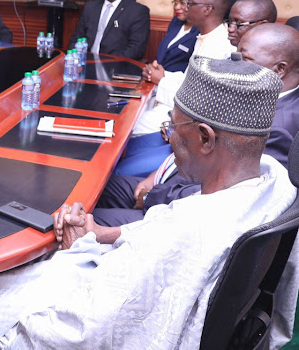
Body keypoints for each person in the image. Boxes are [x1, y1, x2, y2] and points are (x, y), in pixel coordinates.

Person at [0, 56, 298, 350]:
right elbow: (165, 229)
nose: (168, 135)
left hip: (84, 314)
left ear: (204, 138)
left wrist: (13, 346)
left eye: (172, 127)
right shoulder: (274, 183)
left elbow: (80, 334)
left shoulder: (188, 231)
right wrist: (100, 235)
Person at [94, 23, 299, 227]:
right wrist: (155, 176)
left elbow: (230, 198)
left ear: (280, 69)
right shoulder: (251, 94)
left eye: (244, 58)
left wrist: (153, 196)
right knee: (98, 185)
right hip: (170, 181)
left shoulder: (277, 125)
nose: (233, 65)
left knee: (88, 221)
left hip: (181, 214)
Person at [119, 0, 236, 176]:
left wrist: (174, 119)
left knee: (128, 140)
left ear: (207, 9)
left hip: (190, 134)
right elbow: (191, 81)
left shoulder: (218, 46)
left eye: (191, 3)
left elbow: (201, 98)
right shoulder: (205, 38)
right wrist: (164, 75)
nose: (185, 8)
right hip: (179, 121)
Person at [69, 0, 150, 60]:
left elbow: (136, 48)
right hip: (85, 61)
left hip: (115, 65)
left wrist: (111, 64)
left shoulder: (137, 11)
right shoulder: (90, 7)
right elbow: (76, 38)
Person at [142, 0, 200, 81]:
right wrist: (152, 69)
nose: (176, 7)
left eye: (182, 3)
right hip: (156, 81)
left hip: (176, 86)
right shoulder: (175, 22)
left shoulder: (201, 31)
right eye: (175, 2)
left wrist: (162, 76)